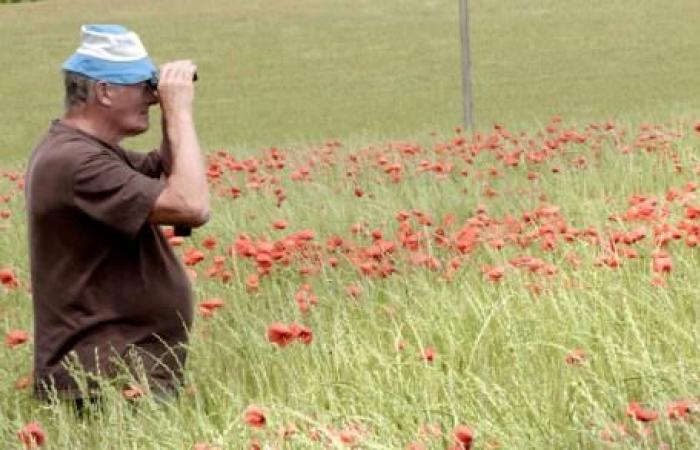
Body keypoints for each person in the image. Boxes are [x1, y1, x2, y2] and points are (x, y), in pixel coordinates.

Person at [25, 24, 210, 404]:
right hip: (101, 382)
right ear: (104, 91)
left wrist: (169, 117)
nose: (151, 96)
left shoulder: (88, 151)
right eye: (142, 86)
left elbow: (165, 172)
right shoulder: (76, 162)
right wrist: (180, 113)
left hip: (120, 374)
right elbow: (190, 205)